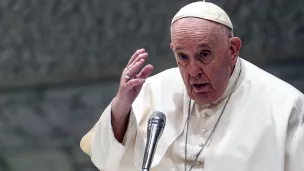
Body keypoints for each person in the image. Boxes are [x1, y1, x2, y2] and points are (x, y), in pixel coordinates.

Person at [80, 1, 304, 171]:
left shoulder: (285, 107)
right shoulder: (153, 90)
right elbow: (104, 158)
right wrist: (121, 106)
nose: (193, 71)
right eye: (182, 57)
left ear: (233, 50)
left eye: (204, 55)